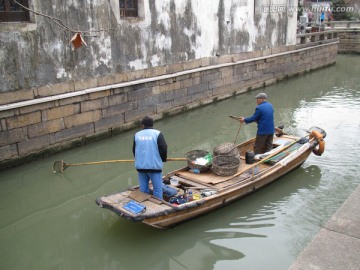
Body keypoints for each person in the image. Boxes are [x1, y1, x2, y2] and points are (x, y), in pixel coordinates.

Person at [133, 116, 167, 200]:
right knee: (157, 190)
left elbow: (134, 150)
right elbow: (163, 148)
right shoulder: (157, 133)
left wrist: (139, 159)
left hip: (141, 167)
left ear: (142, 125)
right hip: (154, 167)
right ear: (152, 124)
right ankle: (158, 208)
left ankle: (145, 207)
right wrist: (163, 159)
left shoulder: (137, 135)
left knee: (143, 190)